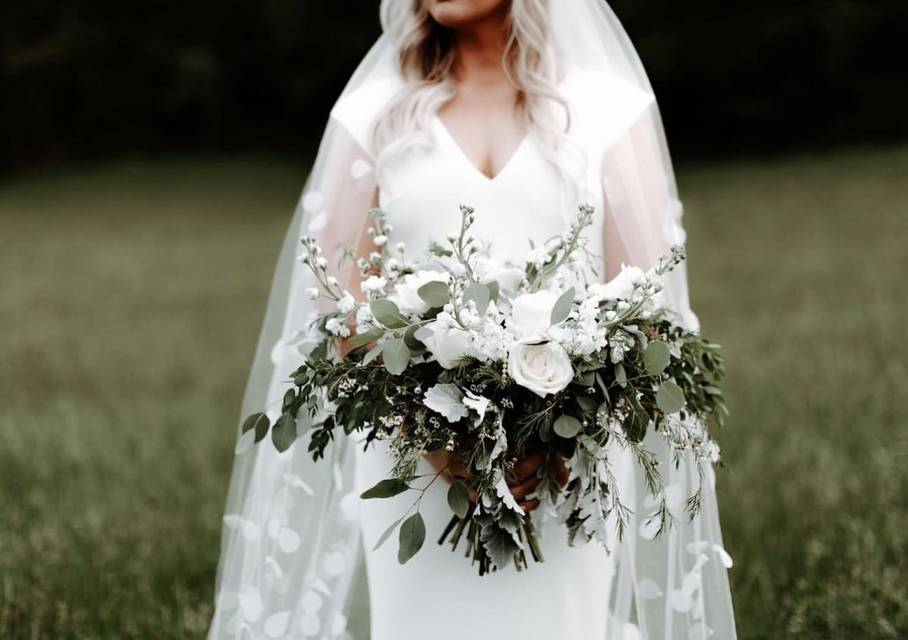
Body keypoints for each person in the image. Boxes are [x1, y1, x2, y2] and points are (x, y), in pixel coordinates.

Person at [208, 1, 736, 638]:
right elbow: (337, 309)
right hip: (411, 467)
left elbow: (648, 311)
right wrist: (431, 438)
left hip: (569, 470)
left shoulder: (607, 112)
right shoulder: (375, 116)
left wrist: (557, 435)